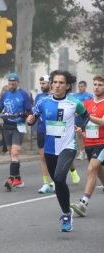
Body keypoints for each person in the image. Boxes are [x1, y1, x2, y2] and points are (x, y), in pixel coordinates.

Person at [27, 70, 89, 232]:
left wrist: (81, 128)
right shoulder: (43, 102)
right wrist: (30, 120)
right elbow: (33, 117)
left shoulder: (75, 103)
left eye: (61, 83)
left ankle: (67, 216)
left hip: (68, 146)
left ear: (67, 86)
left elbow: (85, 116)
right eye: (54, 82)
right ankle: (66, 211)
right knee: (58, 181)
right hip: (49, 148)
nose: (57, 85)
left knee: (60, 178)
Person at [70, 75, 104, 216]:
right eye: (95, 84)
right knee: (99, 171)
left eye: (100, 85)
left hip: (102, 143)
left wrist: (87, 116)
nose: (96, 87)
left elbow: (102, 122)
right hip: (89, 143)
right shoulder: (88, 103)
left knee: (91, 169)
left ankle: (83, 204)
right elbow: (84, 123)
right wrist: (80, 130)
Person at [0, 73, 32, 191]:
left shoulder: (23, 94)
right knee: (12, 155)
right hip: (7, 127)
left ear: (18, 83)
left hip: (18, 126)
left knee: (15, 152)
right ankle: (18, 179)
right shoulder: (5, 95)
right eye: (10, 83)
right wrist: (0, 115)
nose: (11, 85)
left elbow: (29, 111)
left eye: (14, 83)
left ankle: (10, 179)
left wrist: (21, 114)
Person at [34, 75, 56, 194]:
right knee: (43, 157)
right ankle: (46, 183)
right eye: (40, 83)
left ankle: (57, 181)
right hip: (41, 130)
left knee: (55, 157)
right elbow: (35, 112)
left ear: (50, 83)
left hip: (54, 130)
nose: (42, 85)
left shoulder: (55, 96)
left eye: (44, 83)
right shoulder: (38, 97)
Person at [73, 81, 93, 160]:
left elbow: (91, 107)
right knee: (79, 135)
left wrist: (82, 112)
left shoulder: (89, 96)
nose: (80, 88)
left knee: (86, 136)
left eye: (82, 86)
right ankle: (81, 152)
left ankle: (88, 151)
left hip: (85, 119)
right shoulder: (75, 96)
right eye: (79, 86)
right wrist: (75, 112)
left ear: (85, 87)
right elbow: (73, 106)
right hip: (77, 120)